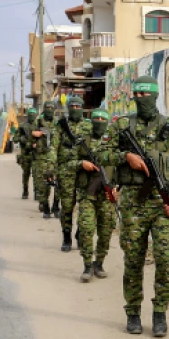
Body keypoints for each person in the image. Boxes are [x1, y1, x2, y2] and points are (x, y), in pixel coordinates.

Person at [100, 76, 169, 337]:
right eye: (136, 95)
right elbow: (102, 154)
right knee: (133, 260)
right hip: (132, 203)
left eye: (145, 94)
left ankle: (160, 312)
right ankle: (133, 313)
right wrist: (124, 157)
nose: (140, 99)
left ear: (154, 96)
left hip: (162, 205)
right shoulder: (121, 126)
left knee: (164, 260)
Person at [72, 109, 117, 282]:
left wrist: (117, 187)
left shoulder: (114, 142)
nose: (99, 121)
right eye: (96, 118)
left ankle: (99, 263)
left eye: (102, 119)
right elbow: (68, 162)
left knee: (106, 231)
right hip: (87, 194)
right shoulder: (83, 141)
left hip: (106, 195)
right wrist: (81, 163)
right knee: (86, 229)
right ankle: (87, 265)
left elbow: (120, 166)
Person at [49, 96, 88, 251]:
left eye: (78, 107)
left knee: (85, 205)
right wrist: (51, 167)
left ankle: (80, 233)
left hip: (85, 172)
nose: (75, 109)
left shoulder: (89, 126)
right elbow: (53, 147)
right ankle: (66, 238)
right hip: (66, 171)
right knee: (67, 206)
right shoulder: (60, 126)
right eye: (72, 106)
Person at [34, 101, 58, 218]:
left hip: (56, 158)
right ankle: (46, 207)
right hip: (42, 158)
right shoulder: (37, 122)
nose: (49, 109)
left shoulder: (59, 123)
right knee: (43, 185)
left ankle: (56, 206)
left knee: (59, 184)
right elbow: (28, 135)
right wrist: (34, 135)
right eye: (47, 107)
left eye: (51, 108)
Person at [14, 109, 37, 200]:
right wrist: (22, 139)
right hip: (26, 153)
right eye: (30, 114)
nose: (32, 115)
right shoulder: (22, 126)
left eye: (33, 114)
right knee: (26, 173)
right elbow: (15, 138)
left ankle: (37, 193)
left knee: (36, 174)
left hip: (36, 153)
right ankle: (25, 191)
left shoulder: (39, 125)